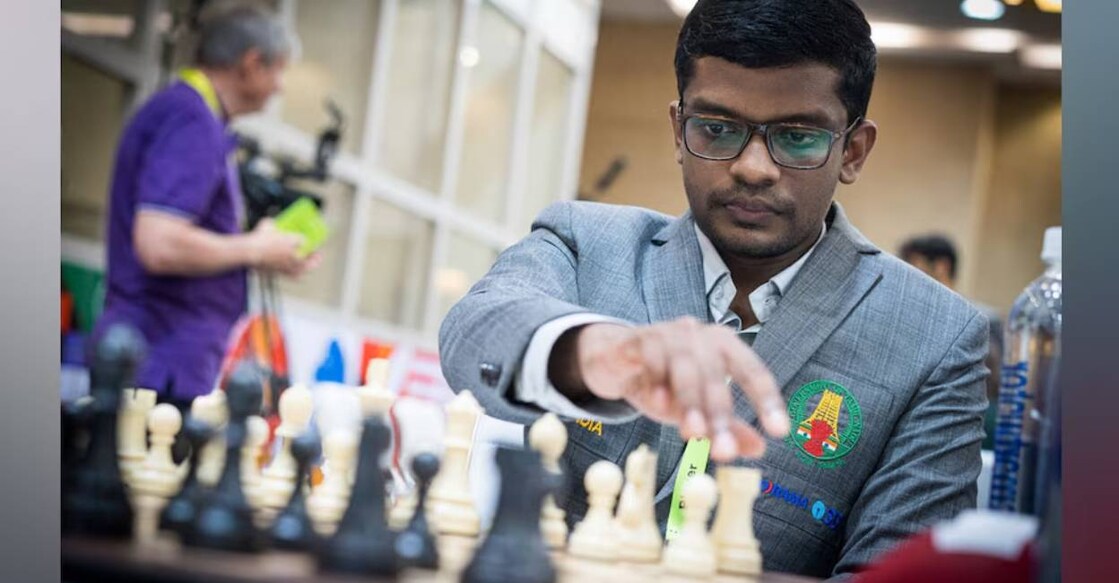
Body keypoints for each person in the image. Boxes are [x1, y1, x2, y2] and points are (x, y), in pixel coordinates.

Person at [439, 0, 988, 578]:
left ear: (852, 150)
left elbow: (900, 570)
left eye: (797, 138)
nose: (753, 168)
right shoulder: (585, 243)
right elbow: (472, 333)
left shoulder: (938, 340)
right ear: (678, 130)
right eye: (718, 129)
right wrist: (600, 352)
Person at [93, 4, 316, 408]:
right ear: (251, 64)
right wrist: (253, 248)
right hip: (155, 362)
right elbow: (159, 243)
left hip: (156, 358)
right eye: (278, 71)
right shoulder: (191, 119)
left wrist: (258, 251)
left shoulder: (192, 114)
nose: (280, 87)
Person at [899, 234, 1004, 449]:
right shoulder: (909, 316)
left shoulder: (981, 322)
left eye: (913, 267)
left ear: (941, 267)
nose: (906, 277)